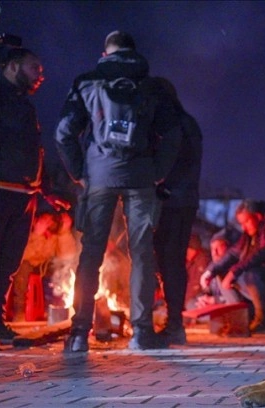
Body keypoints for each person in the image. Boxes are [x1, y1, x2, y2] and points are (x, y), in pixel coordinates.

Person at [54, 31, 182, 352]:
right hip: (140, 176)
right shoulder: (152, 85)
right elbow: (174, 135)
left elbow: (63, 133)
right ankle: (141, 333)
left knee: (91, 253)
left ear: (105, 52)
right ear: (133, 52)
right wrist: (157, 173)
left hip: (99, 176)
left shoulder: (86, 82)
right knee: (141, 253)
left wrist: (80, 173)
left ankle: (79, 334)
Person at [0, 47, 68, 342]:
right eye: (34, 68)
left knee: (8, 263)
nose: (41, 75)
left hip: (25, 195)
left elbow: (33, 152)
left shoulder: (25, 106)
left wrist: (47, 191)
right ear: (12, 67)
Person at [200, 199, 265, 333]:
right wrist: (210, 271)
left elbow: (263, 253)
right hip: (263, 284)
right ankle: (239, 322)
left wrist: (234, 271)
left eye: (247, 221)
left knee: (251, 274)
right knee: (224, 274)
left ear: (258, 216)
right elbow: (233, 253)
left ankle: (262, 322)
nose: (244, 227)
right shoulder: (249, 234)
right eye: (241, 224)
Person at [151, 77, 203, 345]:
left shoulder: (170, 125)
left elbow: (170, 164)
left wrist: (160, 187)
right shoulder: (189, 122)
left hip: (171, 201)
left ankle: (173, 325)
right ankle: (174, 322)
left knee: (167, 261)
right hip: (186, 200)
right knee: (174, 262)